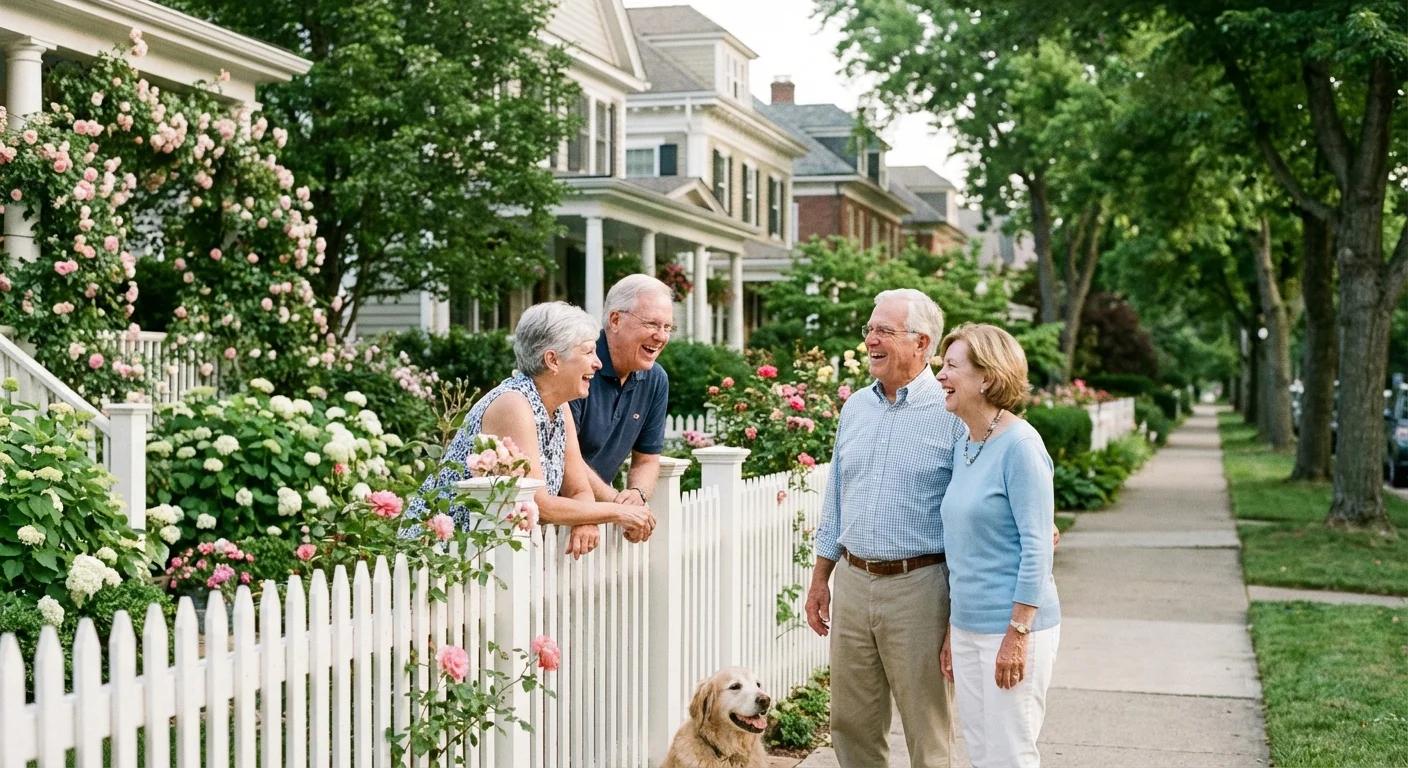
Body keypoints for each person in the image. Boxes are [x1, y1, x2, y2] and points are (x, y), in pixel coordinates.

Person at [804, 288, 963, 767]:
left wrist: (959, 614)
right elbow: (836, 499)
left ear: (922, 343)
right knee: (850, 724)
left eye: (884, 331)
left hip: (921, 587)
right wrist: (820, 578)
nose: (871, 339)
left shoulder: (952, 412)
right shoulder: (855, 407)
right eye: (870, 329)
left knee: (926, 728)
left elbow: (971, 514)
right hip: (853, 581)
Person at [407, 301, 656, 557]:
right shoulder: (513, 404)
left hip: (487, 551)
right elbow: (538, 504)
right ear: (553, 360)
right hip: (442, 553)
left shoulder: (561, 407)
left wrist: (586, 520)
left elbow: (578, 490)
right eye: (588, 352)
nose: (598, 363)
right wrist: (619, 512)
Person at [936, 323, 1061, 768]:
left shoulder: (1021, 447)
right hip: (969, 627)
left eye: (951, 366)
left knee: (1010, 754)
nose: (940, 375)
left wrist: (1018, 634)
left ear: (986, 377)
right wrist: (955, 628)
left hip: (1012, 628)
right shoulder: (966, 444)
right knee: (982, 750)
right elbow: (965, 546)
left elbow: (1037, 547)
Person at [570, 274, 673, 514]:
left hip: (597, 515)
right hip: (548, 514)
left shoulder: (656, 379)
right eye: (651, 324)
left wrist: (637, 495)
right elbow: (566, 458)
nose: (661, 336)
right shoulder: (578, 364)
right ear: (615, 320)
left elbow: (647, 459)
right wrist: (617, 505)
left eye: (667, 327)